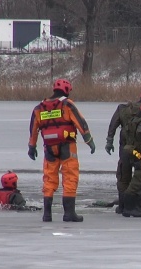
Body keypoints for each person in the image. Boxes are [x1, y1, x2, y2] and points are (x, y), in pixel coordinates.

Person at [28, 78, 96, 222]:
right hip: (67, 146)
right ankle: (69, 213)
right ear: (66, 90)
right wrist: (89, 141)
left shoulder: (39, 107)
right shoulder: (66, 104)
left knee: (49, 178)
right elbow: (80, 122)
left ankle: (47, 214)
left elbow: (33, 128)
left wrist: (32, 147)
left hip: (49, 148)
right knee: (70, 176)